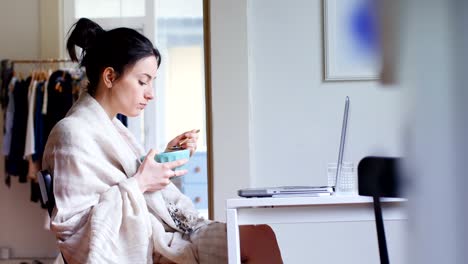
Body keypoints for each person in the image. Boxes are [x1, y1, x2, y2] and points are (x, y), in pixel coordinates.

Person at [42, 18, 283, 264]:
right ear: (110, 77)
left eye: (152, 82)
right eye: (142, 81)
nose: (151, 93)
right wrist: (140, 183)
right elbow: (77, 233)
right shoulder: (71, 134)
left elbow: (127, 179)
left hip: (162, 233)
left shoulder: (113, 128)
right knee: (257, 243)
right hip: (147, 244)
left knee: (261, 235)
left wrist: (165, 159)